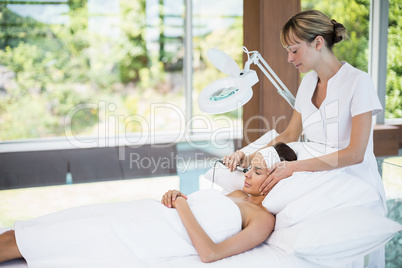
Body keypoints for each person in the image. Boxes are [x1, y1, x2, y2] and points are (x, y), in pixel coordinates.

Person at [0, 143, 296, 266]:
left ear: (277, 179)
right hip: (142, 214)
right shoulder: (237, 196)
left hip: (143, 237)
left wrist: (182, 206)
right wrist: (175, 197)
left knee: (28, 243)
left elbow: (210, 253)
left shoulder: (262, 219)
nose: (248, 175)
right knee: (26, 234)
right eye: (250, 168)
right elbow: (194, 208)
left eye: (258, 172)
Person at [223, 10, 386, 214]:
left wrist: (294, 167)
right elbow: (291, 134)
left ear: (318, 43)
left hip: (354, 186)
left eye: (294, 50)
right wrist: (248, 156)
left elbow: (355, 154)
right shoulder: (308, 83)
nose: (289, 58)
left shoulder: (358, 82)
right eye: (287, 51)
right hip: (319, 183)